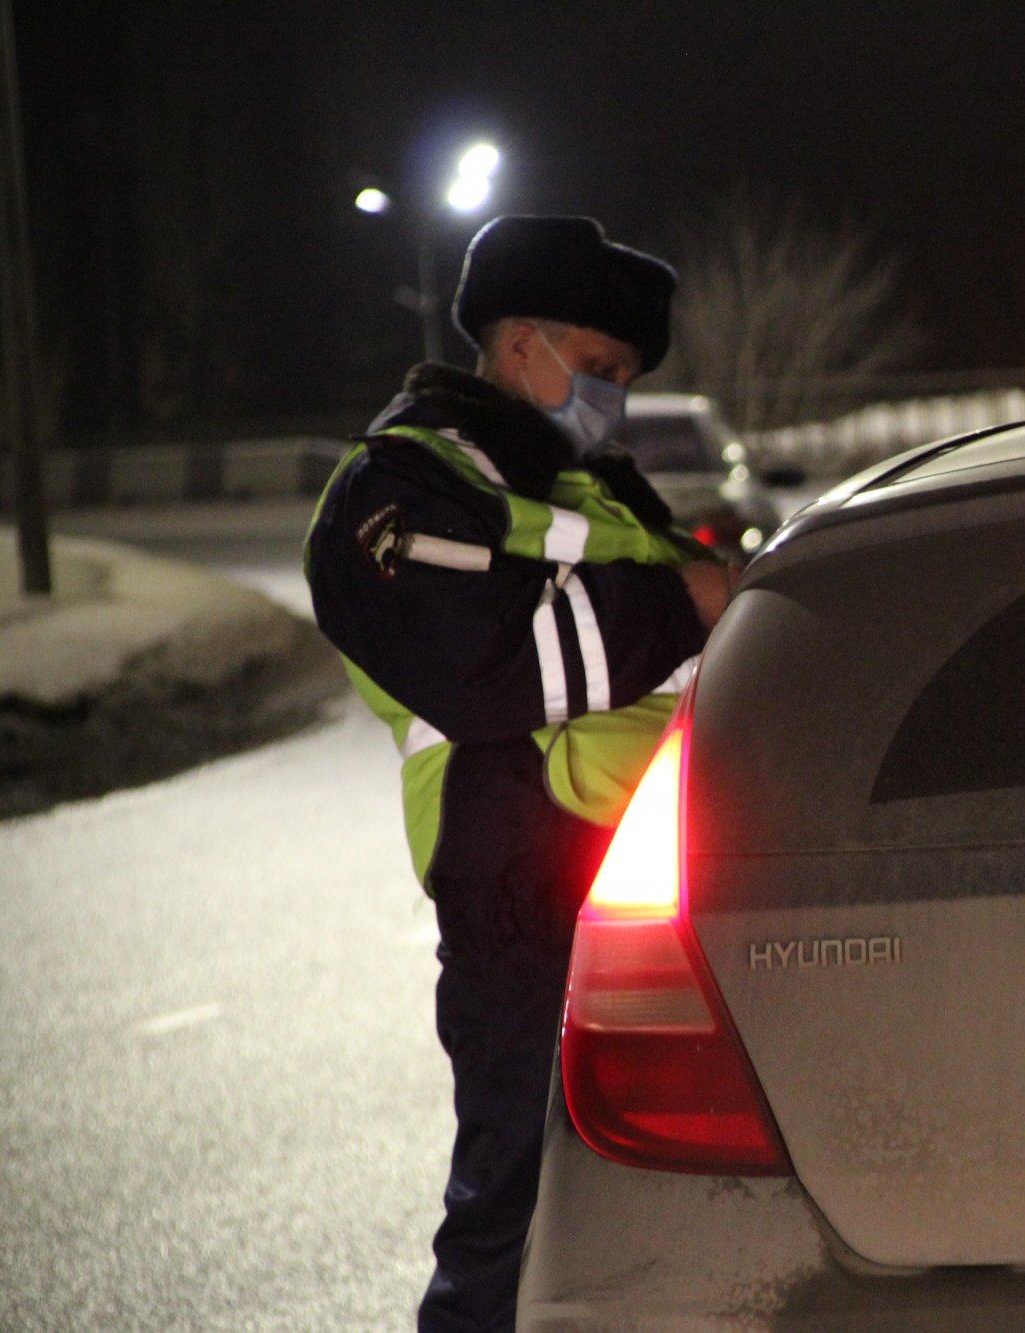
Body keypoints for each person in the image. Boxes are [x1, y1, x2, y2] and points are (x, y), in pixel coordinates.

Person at [303, 214, 734, 1332]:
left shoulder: (592, 484)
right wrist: (678, 603)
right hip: (520, 897)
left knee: (669, 1215)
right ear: (519, 343)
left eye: (625, 378)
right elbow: (481, 658)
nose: (610, 398)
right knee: (520, 1207)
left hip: (649, 891)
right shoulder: (399, 486)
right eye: (598, 369)